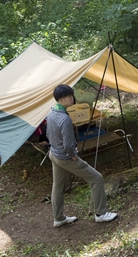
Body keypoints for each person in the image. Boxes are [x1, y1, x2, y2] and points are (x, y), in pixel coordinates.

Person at [45, 84, 118, 227]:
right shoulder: (64, 119)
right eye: (69, 97)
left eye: (72, 95)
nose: (72, 98)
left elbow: (48, 134)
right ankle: (101, 214)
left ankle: (58, 218)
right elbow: (68, 144)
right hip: (65, 157)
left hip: (54, 154)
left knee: (58, 187)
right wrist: (73, 156)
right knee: (97, 178)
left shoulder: (51, 112)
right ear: (61, 99)